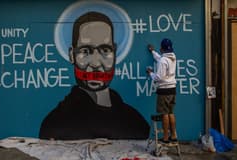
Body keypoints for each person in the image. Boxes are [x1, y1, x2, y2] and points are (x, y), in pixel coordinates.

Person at [39, 11, 150, 140]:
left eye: (105, 50)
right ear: (71, 55)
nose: (96, 63)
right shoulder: (55, 123)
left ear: (115, 54)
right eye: (85, 51)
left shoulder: (135, 121)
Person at [146, 38, 177, 143]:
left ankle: (165, 137)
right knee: (171, 112)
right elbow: (160, 59)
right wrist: (153, 52)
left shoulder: (163, 61)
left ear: (161, 48)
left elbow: (158, 77)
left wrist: (150, 73)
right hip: (172, 89)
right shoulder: (172, 57)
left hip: (164, 90)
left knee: (164, 114)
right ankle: (173, 136)